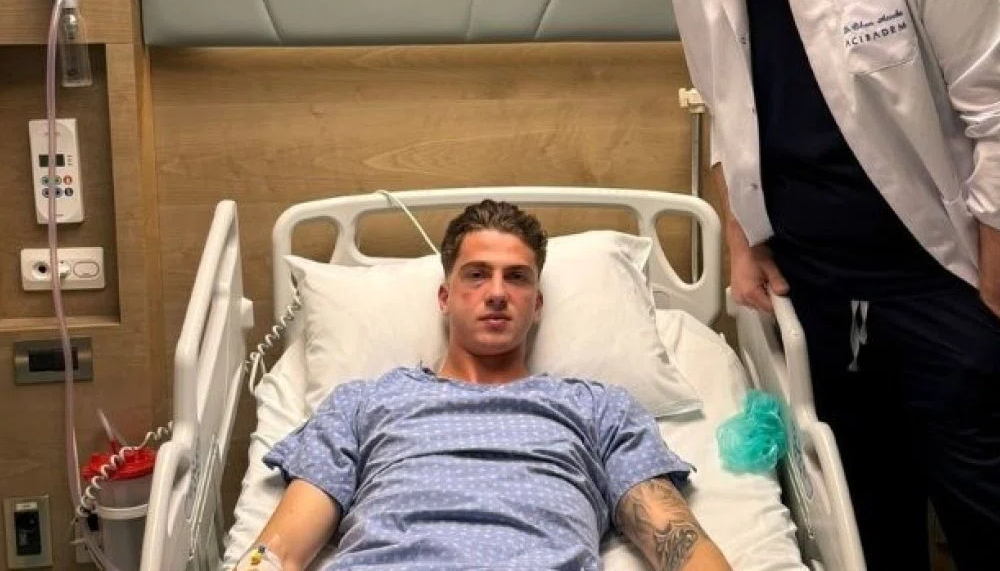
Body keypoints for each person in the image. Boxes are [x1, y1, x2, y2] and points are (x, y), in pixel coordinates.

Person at [664, 0, 1000, 569]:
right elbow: (726, 114)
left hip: (944, 289)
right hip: (824, 301)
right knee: (869, 532)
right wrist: (743, 244)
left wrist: (996, 310)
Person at [235, 200, 734, 571]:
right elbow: (277, 552)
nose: (497, 293)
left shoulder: (598, 409)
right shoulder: (364, 404)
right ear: (444, 297)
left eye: (516, 278)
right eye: (477, 275)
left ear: (537, 305)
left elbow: (679, 543)